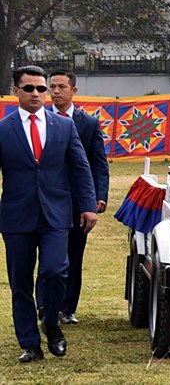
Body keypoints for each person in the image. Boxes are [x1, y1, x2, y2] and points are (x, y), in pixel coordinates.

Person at [1, 66, 97, 363]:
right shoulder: (3, 129)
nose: (36, 94)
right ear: (15, 91)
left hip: (57, 214)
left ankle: (52, 324)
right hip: (17, 216)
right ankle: (30, 343)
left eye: (41, 89)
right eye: (29, 88)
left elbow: (81, 167)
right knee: (20, 281)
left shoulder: (64, 126)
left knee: (56, 271)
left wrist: (88, 205)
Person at [35, 70, 108, 326]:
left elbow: (98, 163)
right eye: (51, 87)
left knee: (73, 256)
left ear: (73, 90)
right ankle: (43, 304)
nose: (55, 92)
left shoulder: (88, 123)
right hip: (46, 199)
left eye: (61, 87)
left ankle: (67, 307)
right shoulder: (39, 122)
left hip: (78, 202)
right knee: (48, 255)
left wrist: (99, 196)